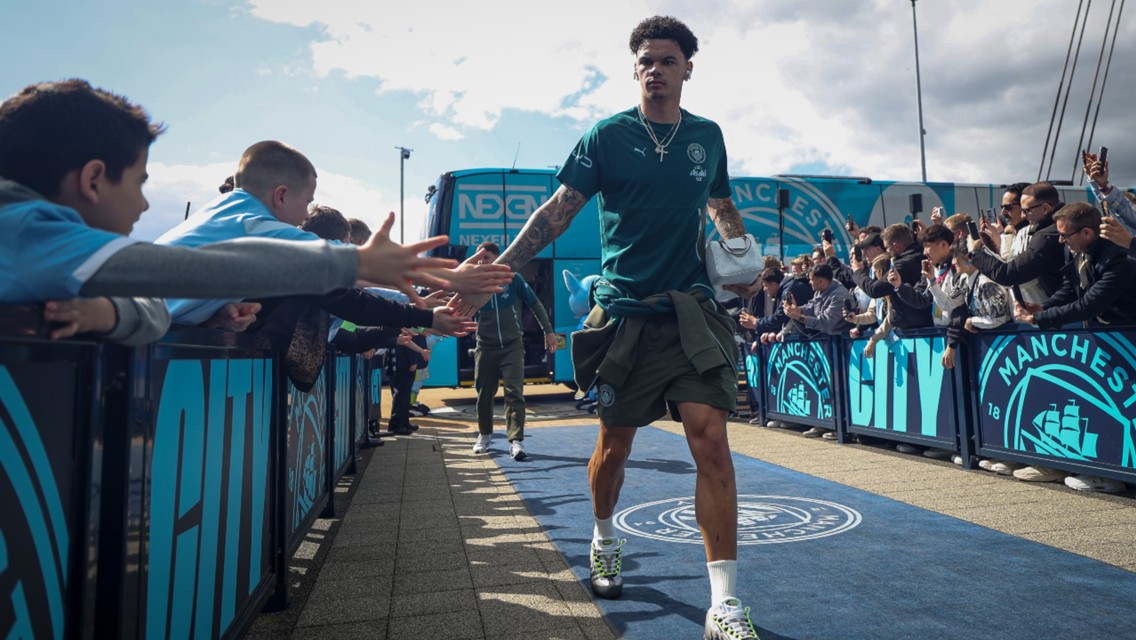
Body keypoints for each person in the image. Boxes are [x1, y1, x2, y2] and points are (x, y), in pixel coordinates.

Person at [450, 16, 759, 638]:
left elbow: (723, 206)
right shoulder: (607, 137)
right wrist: (501, 270)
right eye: (646, 59)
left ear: (687, 69)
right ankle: (603, 535)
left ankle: (724, 603)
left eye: (667, 60)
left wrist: (743, 258)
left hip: (690, 311)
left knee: (710, 438)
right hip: (623, 315)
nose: (655, 69)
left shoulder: (708, 136)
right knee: (614, 447)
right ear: (635, 67)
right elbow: (556, 212)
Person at [0, 79, 458, 342]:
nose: (143, 204)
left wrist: (109, 314)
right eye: (140, 183)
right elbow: (187, 272)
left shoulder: (36, 240)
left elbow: (155, 308)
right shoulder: (27, 232)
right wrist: (354, 261)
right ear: (94, 179)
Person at [468, 242, 557, 460]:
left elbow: (535, 304)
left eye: (486, 257)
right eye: (479, 258)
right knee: (484, 394)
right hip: (485, 347)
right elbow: (459, 309)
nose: (482, 261)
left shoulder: (513, 279)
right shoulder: (474, 284)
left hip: (512, 346)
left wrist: (548, 331)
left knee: (514, 392)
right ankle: (485, 435)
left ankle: (516, 441)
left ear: (498, 259)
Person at [967, 182, 1064, 308]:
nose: (1003, 212)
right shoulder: (1024, 232)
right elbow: (1009, 267)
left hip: (1046, 316)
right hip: (1038, 313)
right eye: (1002, 207)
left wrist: (976, 252)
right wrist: (992, 245)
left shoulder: (1043, 235)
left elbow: (1011, 275)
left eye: (1009, 207)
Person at [851, 223, 933, 330]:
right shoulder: (914, 257)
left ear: (896, 246)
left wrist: (857, 271)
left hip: (917, 331)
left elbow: (874, 290)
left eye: (887, 248)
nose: (887, 252)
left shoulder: (903, 265)